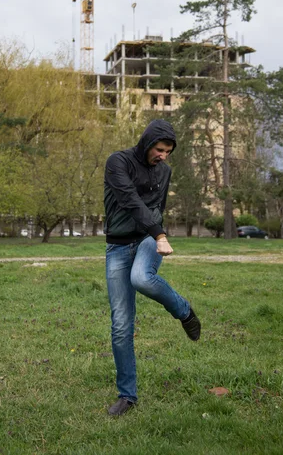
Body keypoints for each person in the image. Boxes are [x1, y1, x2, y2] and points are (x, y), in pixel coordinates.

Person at [104, 119, 201, 416]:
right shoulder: (117, 162)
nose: (163, 156)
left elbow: (157, 205)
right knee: (121, 325)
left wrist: (157, 235)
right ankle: (127, 396)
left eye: (168, 152)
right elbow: (130, 200)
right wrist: (160, 233)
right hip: (119, 245)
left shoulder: (165, 171)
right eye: (159, 149)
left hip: (148, 239)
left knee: (142, 279)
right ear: (147, 143)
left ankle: (183, 310)